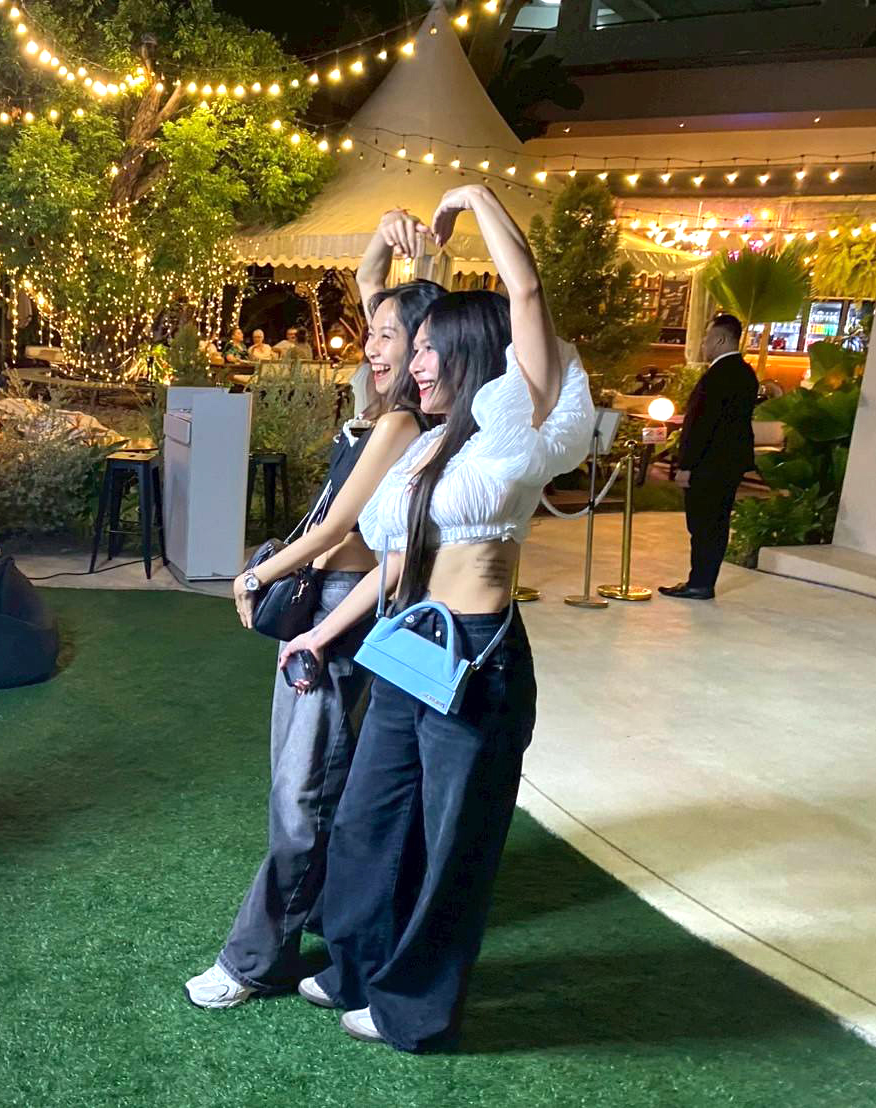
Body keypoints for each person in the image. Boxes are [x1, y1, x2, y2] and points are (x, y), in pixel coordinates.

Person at [275, 184, 595, 1051]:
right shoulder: (427, 441)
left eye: (425, 348)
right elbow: (398, 558)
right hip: (409, 644)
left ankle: (413, 1007)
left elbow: (523, 290)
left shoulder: (518, 422)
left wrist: (468, 197)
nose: (410, 363)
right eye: (408, 348)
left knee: (452, 842)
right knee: (368, 820)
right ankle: (357, 966)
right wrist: (321, 632)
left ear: (467, 352)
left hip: (478, 657)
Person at [184, 207, 445, 1010]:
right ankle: (341, 921)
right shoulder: (380, 396)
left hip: (342, 608)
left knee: (305, 792)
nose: (373, 342)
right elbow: (371, 282)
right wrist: (386, 237)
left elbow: (337, 528)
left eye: (392, 335)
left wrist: (253, 577)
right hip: (317, 604)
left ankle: (254, 958)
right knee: (297, 784)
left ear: (426, 346)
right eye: (374, 331)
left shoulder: (405, 420)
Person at [660, 313, 758, 600]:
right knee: (717, 522)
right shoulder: (745, 373)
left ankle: (699, 583)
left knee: (703, 524)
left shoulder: (718, 376)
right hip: (729, 463)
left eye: (706, 338)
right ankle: (703, 580)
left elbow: (701, 424)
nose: (703, 344)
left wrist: (686, 465)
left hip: (709, 464)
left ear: (721, 339)